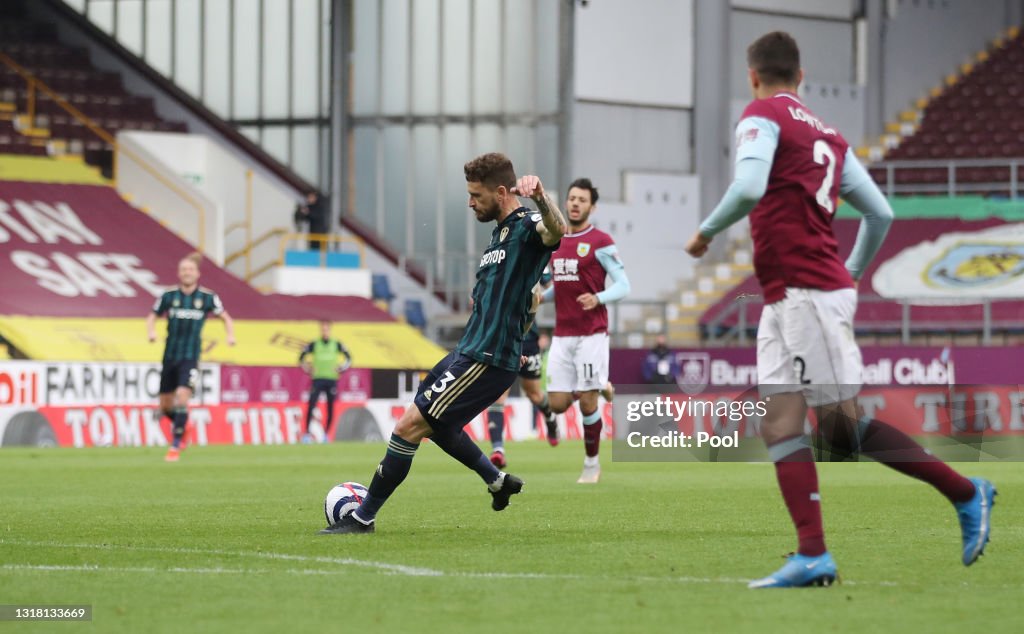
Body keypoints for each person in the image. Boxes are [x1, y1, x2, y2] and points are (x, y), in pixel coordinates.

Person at [684, 31, 996, 588]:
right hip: (789, 294)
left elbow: (750, 184)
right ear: (801, 77)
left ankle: (967, 492)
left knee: (841, 432)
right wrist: (850, 273)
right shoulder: (830, 135)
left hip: (807, 291)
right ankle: (812, 555)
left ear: (752, 76)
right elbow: (879, 214)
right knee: (779, 419)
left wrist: (706, 232)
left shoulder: (761, 115)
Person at [319, 152, 565, 534]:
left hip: (487, 358)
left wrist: (541, 198)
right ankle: (497, 482)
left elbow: (557, 231)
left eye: (475, 195)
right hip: (468, 350)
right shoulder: (499, 234)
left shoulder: (528, 224)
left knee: (408, 426)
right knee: (439, 427)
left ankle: (363, 517)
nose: (469, 202)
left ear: (502, 193)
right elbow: (529, 301)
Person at [539, 178, 631, 484]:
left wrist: (598, 298)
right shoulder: (554, 240)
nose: (576, 203)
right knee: (556, 404)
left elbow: (624, 285)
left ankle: (591, 465)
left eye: (582, 200)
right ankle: (598, 382)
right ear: (565, 203)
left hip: (592, 332)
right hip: (563, 335)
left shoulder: (600, 242)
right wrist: (541, 296)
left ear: (592, 206)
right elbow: (559, 284)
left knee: (588, 403)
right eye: (572, 198)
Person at [146, 252, 236, 462]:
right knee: (166, 406)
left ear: (197, 273)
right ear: (179, 273)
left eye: (190, 269)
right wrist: (151, 331)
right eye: (184, 269)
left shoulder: (207, 297)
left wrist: (230, 336)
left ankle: (175, 445)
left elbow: (226, 318)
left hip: (190, 356)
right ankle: (183, 425)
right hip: (170, 355)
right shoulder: (168, 295)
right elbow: (152, 316)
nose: (187, 272)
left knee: (183, 397)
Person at [299, 320, 353, 444]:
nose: (325, 331)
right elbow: (301, 357)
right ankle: (306, 434)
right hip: (317, 379)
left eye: (327, 329)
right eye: (323, 329)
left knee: (330, 407)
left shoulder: (336, 344)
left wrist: (341, 368)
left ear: (330, 330)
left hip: (331, 379)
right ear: (320, 330)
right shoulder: (315, 344)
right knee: (311, 405)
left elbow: (349, 358)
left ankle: (326, 434)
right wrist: (308, 368)